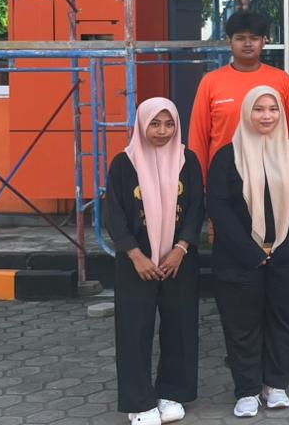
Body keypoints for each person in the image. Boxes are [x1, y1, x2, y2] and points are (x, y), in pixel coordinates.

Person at [206, 87, 289, 419]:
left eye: (273, 109)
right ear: (246, 113)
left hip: (286, 256)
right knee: (242, 325)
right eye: (259, 109)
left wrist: (285, 245)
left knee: (283, 320)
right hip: (239, 258)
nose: (267, 115)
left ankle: (276, 384)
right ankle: (247, 389)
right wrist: (252, 250)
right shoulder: (227, 156)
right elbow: (219, 207)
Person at [105, 98, 205, 425]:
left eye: (169, 124)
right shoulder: (124, 163)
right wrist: (135, 255)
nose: (162, 131)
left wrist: (181, 248)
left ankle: (172, 392)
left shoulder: (188, 160)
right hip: (136, 261)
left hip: (179, 260)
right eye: (155, 124)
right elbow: (114, 214)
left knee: (180, 327)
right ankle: (139, 401)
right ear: (141, 125)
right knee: (134, 331)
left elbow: (196, 207)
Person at [189, 10, 289, 176]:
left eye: (254, 38)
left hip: (272, 173)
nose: (248, 43)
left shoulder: (282, 80)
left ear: (264, 41)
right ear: (229, 41)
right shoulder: (210, 81)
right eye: (240, 38)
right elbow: (198, 137)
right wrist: (198, 180)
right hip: (224, 175)